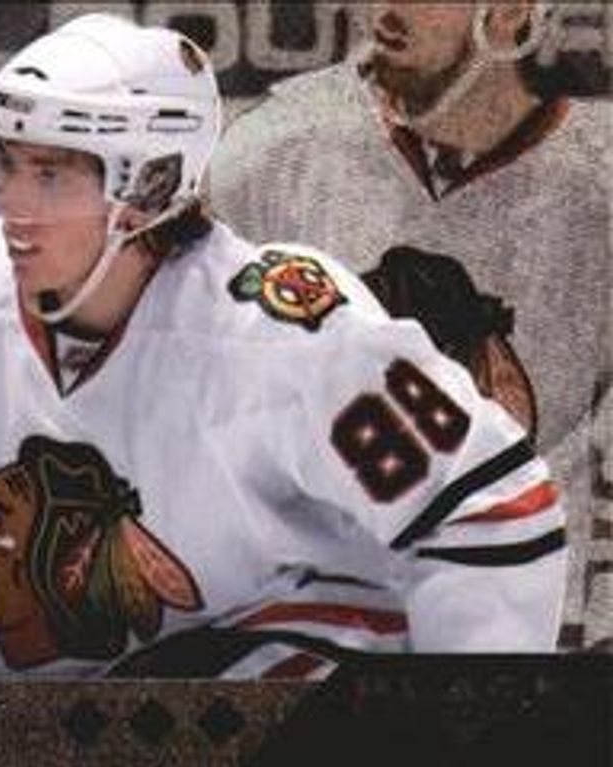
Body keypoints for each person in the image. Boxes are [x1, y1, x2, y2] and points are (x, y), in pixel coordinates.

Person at [0, 13, 568, 681]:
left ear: (153, 184)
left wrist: (461, 737)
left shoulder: (287, 336)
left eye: (53, 175)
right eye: (6, 164)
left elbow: (490, 512)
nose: (16, 207)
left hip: (279, 747)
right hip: (40, 752)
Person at [209, 1, 611, 649]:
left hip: (525, 634)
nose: (385, 9)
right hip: (307, 636)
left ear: (510, 11)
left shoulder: (600, 182)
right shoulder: (273, 152)